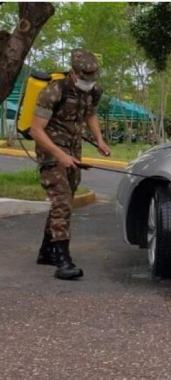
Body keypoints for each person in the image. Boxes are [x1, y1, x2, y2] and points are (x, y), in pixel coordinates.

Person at [29, 48, 111, 280]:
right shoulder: (54, 91)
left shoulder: (93, 90)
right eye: (84, 77)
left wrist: (100, 141)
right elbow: (36, 130)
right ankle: (63, 260)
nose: (88, 82)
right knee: (62, 200)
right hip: (50, 151)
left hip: (74, 152)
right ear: (73, 73)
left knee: (64, 201)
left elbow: (90, 115)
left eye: (92, 78)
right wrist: (59, 155)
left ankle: (47, 251)